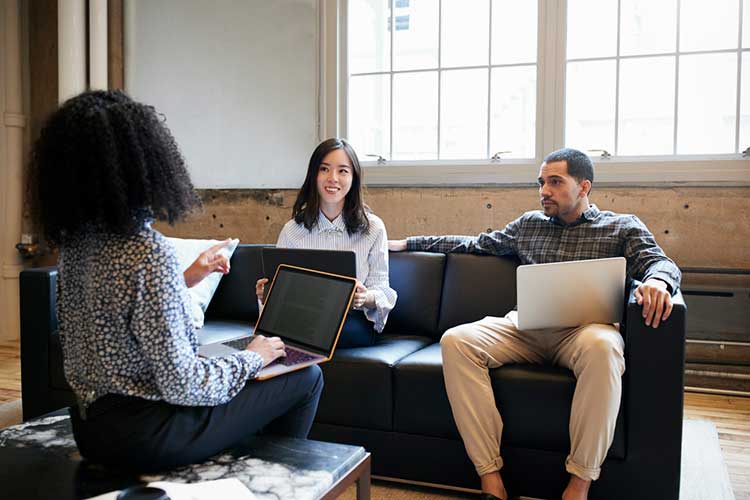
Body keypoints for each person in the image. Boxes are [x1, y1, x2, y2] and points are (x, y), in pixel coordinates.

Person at [27, 90, 323, 471]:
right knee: (305, 376)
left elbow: (117, 321)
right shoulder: (145, 250)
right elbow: (183, 385)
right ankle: (272, 486)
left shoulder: (75, 246)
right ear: (143, 161)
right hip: (150, 437)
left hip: (92, 432)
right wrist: (252, 358)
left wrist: (187, 280)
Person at [389, 148, 681, 500]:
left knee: (605, 348)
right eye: (542, 182)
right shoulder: (529, 225)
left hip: (585, 332)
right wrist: (408, 243)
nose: (544, 190)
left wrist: (657, 283)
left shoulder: (622, 226)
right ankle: (490, 476)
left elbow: (661, 263)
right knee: (456, 341)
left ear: (584, 186)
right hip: (525, 327)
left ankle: (579, 484)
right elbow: (474, 244)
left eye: (555, 182)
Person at [255, 138, 397, 347]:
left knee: (310, 334)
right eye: (324, 169)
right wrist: (266, 296)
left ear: (353, 178)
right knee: (287, 331)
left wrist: (365, 297)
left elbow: (382, 288)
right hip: (301, 317)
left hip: (350, 322)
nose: (333, 178)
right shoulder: (292, 230)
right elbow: (282, 296)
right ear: (314, 175)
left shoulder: (373, 228)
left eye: (343, 171)